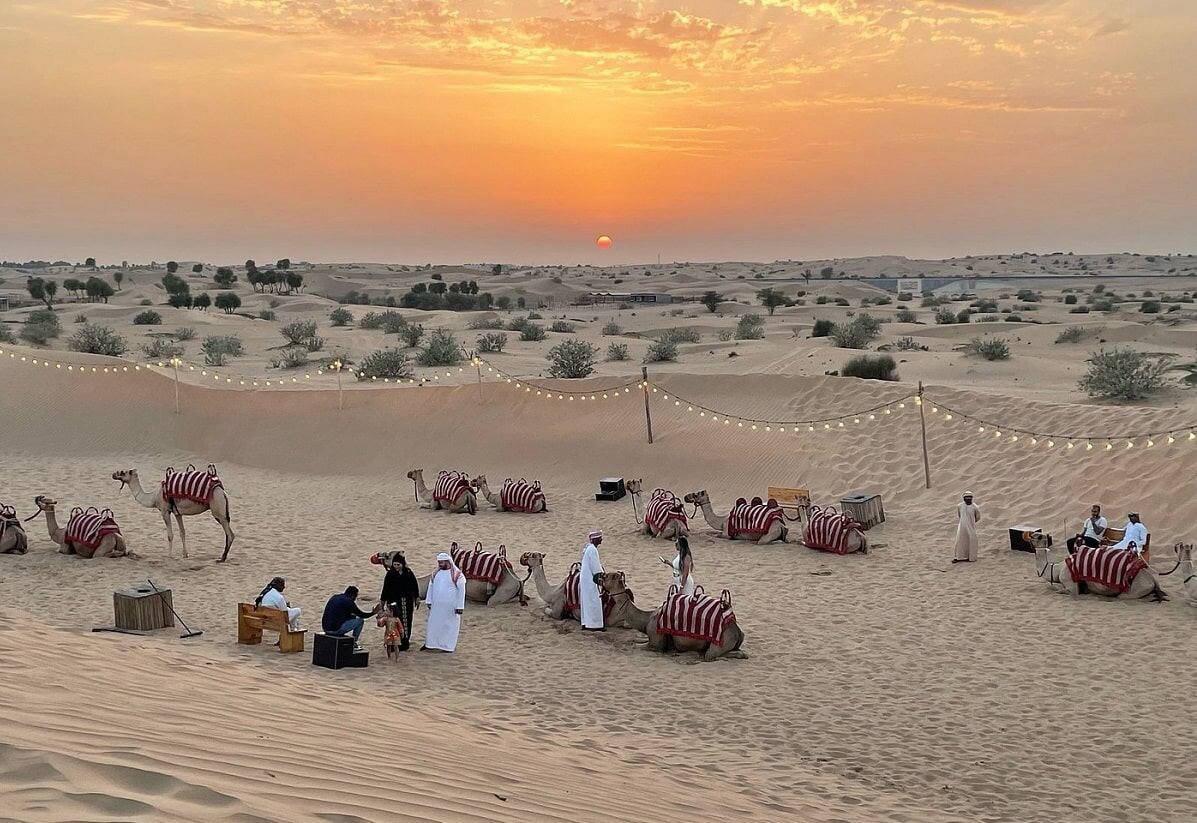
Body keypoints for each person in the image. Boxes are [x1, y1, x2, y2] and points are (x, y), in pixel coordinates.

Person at [423, 552, 466, 652]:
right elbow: (431, 586)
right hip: (436, 606)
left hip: (450, 607)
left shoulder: (457, 575)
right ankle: (431, 644)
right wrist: (429, 600)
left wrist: (460, 606)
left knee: (449, 627)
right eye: (439, 562)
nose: (440, 564)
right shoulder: (436, 573)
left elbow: (462, 591)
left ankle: (447, 647)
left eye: (442, 562)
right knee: (433, 625)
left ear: (448, 562)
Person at [379, 552, 420, 651]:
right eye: (395, 564)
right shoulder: (390, 574)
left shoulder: (408, 573)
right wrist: (382, 602)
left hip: (407, 603)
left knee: (406, 622)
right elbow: (385, 589)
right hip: (393, 602)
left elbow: (415, 586)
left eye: (398, 565)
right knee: (393, 623)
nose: (396, 567)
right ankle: (393, 643)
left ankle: (404, 642)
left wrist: (417, 598)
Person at [579, 530, 605, 631]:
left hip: (586, 579)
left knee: (587, 602)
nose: (601, 540)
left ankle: (586, 623)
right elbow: (595, 567)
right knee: (594, 601)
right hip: (590, 580)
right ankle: (595, 625)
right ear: (595, 539)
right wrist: (602, 576)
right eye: (600, 538)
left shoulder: (588, 548)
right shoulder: (592, 550)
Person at [952, 491, 981, 563]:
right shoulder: (960, 506)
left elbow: (977, 517)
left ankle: (970, 557)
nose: (968, 499)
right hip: (962, 527)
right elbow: (959, 515)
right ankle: (958, 557)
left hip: (971, 527)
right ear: (964, 498)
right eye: (966, 498)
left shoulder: (975, 507)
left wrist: (971, 523)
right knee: (959, 541)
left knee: (972, 541)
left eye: (969, 498)